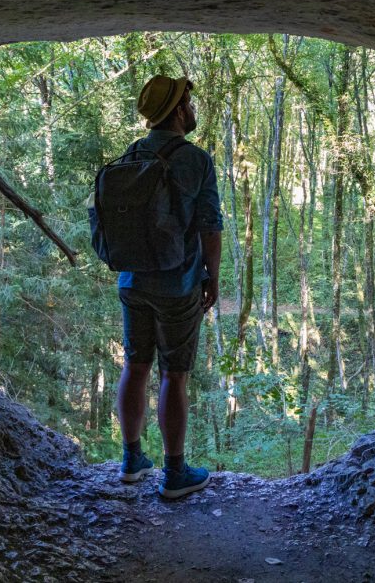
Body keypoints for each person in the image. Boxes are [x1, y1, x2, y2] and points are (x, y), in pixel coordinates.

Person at [116, 75, 223, 499]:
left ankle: (131, 460)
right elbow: (210, 227)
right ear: (178, 110)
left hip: (131, 280)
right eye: (189, 101)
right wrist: (210, 276)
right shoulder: (195, 160)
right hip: (177, 283)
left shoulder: (129, 155)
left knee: (135, 366)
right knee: (174, 376)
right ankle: (175, 474)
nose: (193, 108)